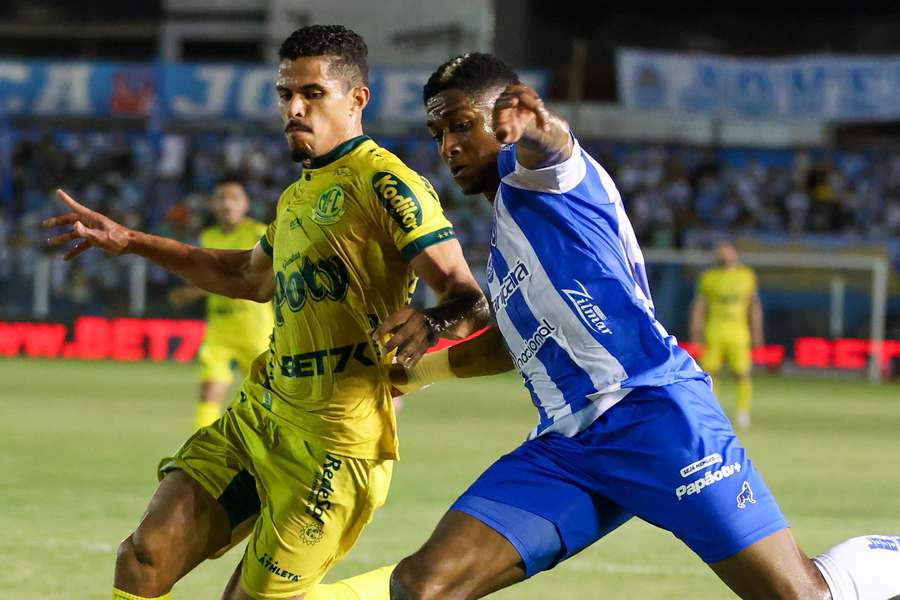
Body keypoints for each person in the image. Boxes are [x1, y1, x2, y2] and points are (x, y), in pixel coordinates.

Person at [317, 53, 900, 600]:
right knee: (424, 585)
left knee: (799, 595)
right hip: (566, 449)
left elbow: (554, 146)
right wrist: (416, 373)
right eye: (438, 133)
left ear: (504, 121)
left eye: (462, 125)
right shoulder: (507, 237)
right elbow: (512, 346)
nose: (448, 144)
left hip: (655, 417)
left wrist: (539, 126)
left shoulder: (548, 180)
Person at [44, 26, 489, 600]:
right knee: (144, 556)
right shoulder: (297, 195)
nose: (294, 108)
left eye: (312, 93)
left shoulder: (386, 183)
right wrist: (130, 240)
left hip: (335, 445)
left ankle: (392, 591)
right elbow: (244, 277)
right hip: (262, 416)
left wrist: (431, 321)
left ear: (357, 99)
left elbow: (468, 297)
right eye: (285, 94)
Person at [168, 179, 274, 431]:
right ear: (213, 205)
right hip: (220, 326)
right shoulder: (209, 236)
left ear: (245, 204)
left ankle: (268, 444)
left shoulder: (260, 233)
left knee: (268, 393)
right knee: (209, 392)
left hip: (254, 325)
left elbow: (255, 276)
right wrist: (193, 290)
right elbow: (210, 277)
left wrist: (191, 292)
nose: (227, 204)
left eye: (234, 198)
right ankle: (199, 451)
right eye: (221, 199)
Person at [689, 240, 763, 429]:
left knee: (742, 373)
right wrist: (696, 329)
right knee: (710, 374)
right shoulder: (709, 277)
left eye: (727, 251)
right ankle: (712, 411)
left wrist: (757, 331)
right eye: (720, 252)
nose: (724, 255)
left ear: (735, 254)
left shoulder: (746, 276)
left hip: (739, 333)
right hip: (714, 331)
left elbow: (753, 305)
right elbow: (700, 305)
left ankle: (742, 413)